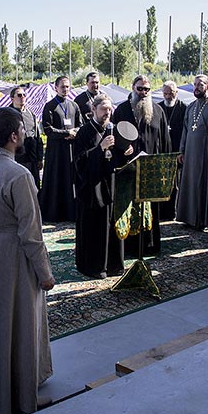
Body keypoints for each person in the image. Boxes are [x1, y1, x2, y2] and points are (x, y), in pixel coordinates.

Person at [0, 107, 55, 414]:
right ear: (14, 136)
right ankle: (21, 394)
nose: (25, 134)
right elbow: (31, 232)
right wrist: (44, 272)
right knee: (21, 322)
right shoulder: (19, 175)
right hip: (14, 253)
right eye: (22, 129)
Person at [74, 94, 134, 279]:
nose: (107, 113)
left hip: (112, 185)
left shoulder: (113, 129)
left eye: (109, 109)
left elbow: (118, 159)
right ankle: (94, 266)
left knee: (111, 227)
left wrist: (126, 153)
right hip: (92, 189)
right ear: (94, 109)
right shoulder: (84, 132)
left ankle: (114, 265)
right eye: (103, 109)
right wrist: (100, 148)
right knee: (95, 228)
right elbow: (79, 161)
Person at [112, 75, 171, 256]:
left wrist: (164, 165)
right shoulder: (122, 109)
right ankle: (129, 247)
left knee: (150, 207)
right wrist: (123, 149)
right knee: (129, 208)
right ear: (133, 88)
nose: (143, 92)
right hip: (128, 168)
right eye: (140, 89)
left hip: (150, 167)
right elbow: (114, 137)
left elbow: (165, 140)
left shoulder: (158, 110)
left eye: (146, 89)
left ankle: (149, 245)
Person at [176, 74, 208, 230]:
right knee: (190, 182)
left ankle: (202, 219)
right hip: (190, 151)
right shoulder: (191, 106)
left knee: (203, 184)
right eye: (195, 85)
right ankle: (188, 217)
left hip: (206, 150)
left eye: (200, 85)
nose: (196, 88)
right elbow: (185, 130)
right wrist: (181, 150)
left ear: (207, 87)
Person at [39, 76, 84, 222]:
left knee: (70, 180)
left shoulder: (74, 106)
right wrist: (66, 133)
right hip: (56, 151)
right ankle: (54, 213)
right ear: (56, 88)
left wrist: (74, 132)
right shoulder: (50, 106)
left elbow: (80, 125)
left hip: (71, 149)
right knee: (56, 179)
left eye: (67, 87)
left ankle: (71, 212)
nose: (65, 89)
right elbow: (48, 129)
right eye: (63, 87)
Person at [158, 80, 188, 220]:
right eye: (165, 93)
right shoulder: (158, 108)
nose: (168, 96)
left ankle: (172, 212)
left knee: (175, 183)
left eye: (171, 93)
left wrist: (182, 151)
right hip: (162, 151)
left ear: (176, 92)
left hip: (177, 151)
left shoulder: (184, 108)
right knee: (161, 182)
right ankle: (161, 212)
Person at [9, 86, 44, 188]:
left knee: (35, 187)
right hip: (16, 159)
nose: (22, 97)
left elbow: (38, 137)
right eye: (19, 95)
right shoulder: (8, 115)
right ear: (12, 99)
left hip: (32, 158)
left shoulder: (31, 114)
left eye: (24, 95)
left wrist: (40, 158)